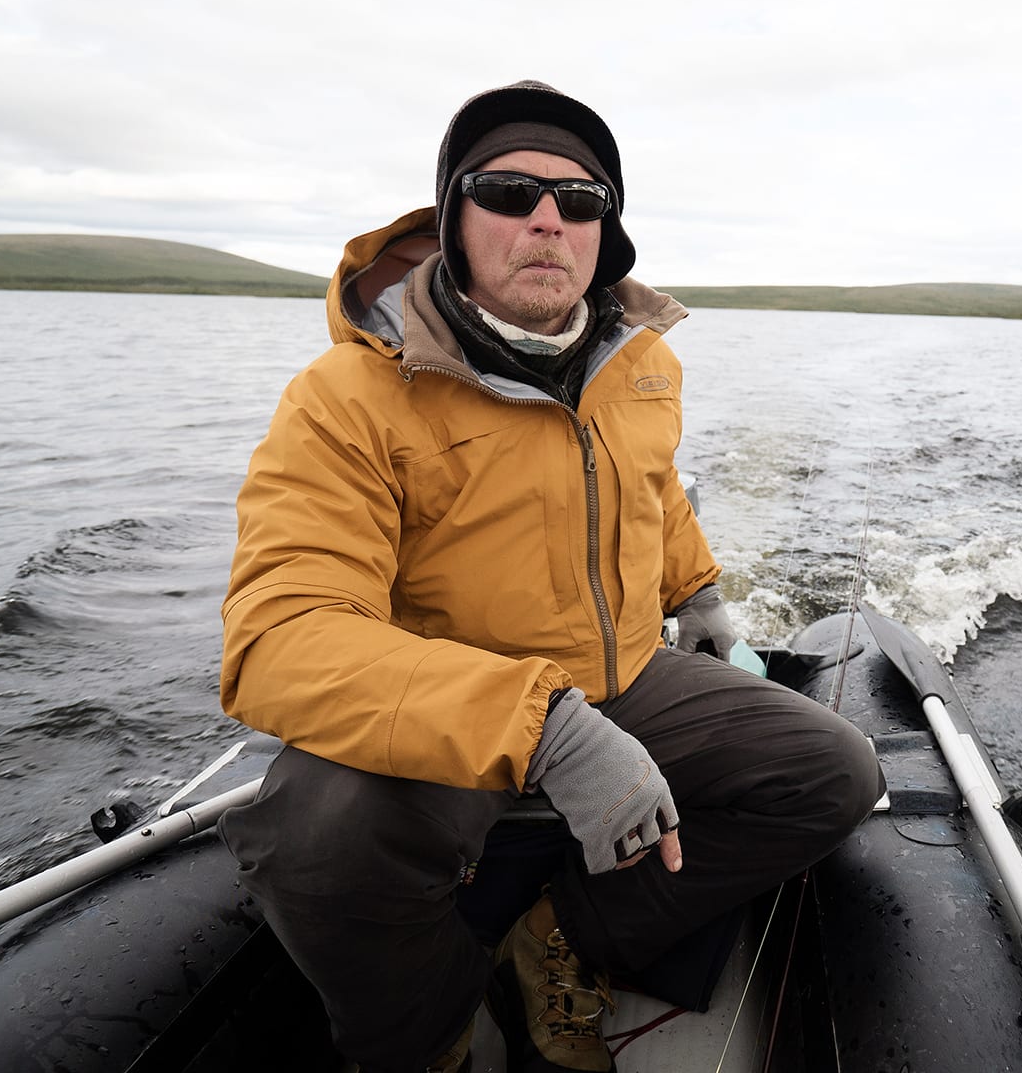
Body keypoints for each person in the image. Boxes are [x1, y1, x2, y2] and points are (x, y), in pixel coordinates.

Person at [216, 81, 883, 1073]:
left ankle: (564, 937)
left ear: (604, 234)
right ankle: (430, 1032)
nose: (547, 219)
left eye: (580, 201)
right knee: (319, 837)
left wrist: (697, 594)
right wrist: (545, 728)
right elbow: (282, 636)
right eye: (507, 192)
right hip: (449, 707)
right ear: (452, 219)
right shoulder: (345, 397)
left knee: (834, 774)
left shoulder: (640, 365)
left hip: (624, 675)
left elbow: (650, 491)